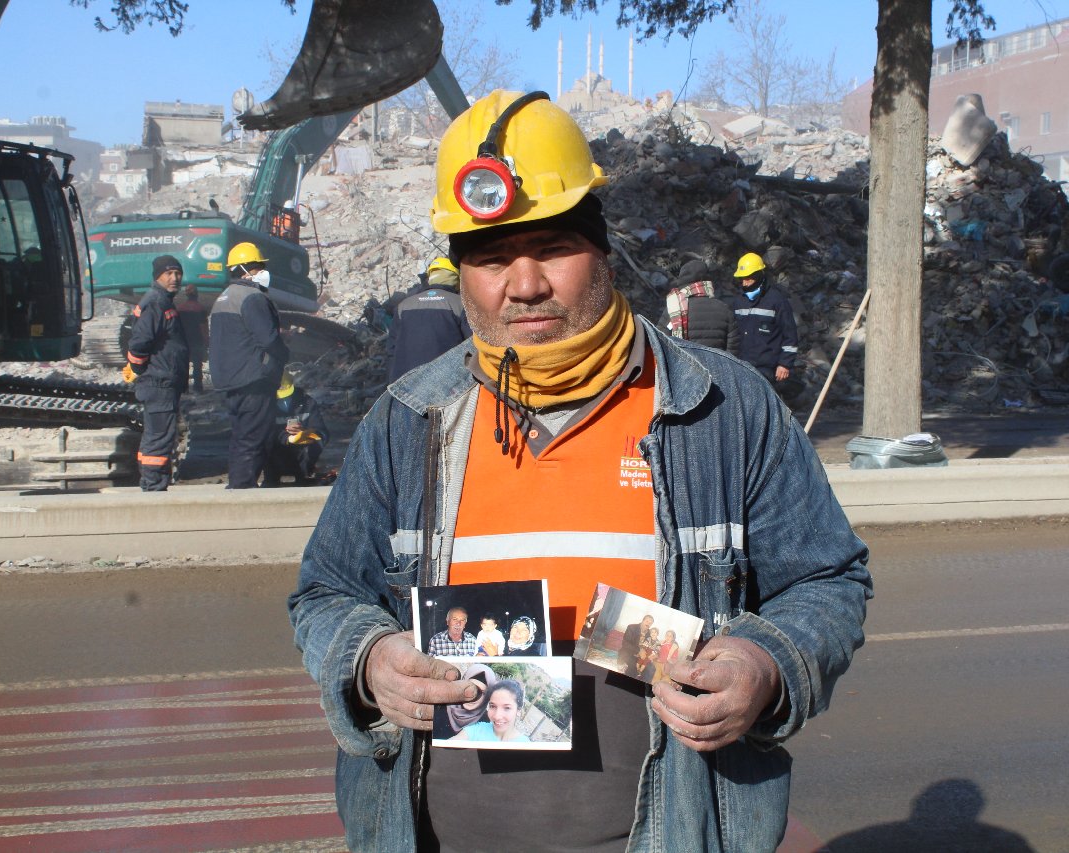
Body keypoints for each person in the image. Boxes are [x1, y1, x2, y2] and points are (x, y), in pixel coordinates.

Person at [289, 89, 872, 853]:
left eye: (552, 247)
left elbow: (827, 579)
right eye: (490, 257)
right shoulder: (409, 421)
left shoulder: (722, 408)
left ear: (602, 249)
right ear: (461, 273)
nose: (524, 283)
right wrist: (369, 659)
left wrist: (765, 663)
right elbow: (327, 592)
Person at [209, 242, 289, 489]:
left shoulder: (224, 297)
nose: (262, 271)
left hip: (230, 378)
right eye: (256, 267)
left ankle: (238, 485)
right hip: (253, 378)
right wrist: (283, 354)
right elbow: (268, 339)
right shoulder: (252, 297)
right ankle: (242, 488)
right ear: (243, 269)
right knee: (254, 436)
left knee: (241, 435)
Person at [124, 254, 190, 491]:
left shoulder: (162, 301)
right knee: (159, 437)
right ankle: (154, 485)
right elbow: (139, 343)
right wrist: (138, 367)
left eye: (178, 273)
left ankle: (151, 482)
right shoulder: (156, 302)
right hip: (159, 381)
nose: (175, 278)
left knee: (156, 435)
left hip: (161, 380)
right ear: (157, 276)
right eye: (168, 273)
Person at [387, 256, 472, 381]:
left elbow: (391, 350)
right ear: (457, 279)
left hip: (404, 383)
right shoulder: (460, 304)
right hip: (445, 382)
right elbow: (473, 345)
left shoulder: (404, 305)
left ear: (430, 277)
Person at [731, 251, 800, 387]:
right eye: (742, 279)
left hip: (767, 368)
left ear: (758, 275)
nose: (744, 283)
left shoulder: (776, 300)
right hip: (742, 365)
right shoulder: (739, 301)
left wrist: (784, 364)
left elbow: (790, 335)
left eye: (748, 278)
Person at [659, 259, 739, 354]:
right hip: (716, 363)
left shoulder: (673, 308)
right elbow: (733, 349)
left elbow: (660, 341)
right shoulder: (724, 309)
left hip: (684, 363)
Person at [265, 374, 331, 486]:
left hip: (303, 452)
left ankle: (304, 473)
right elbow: (260, 433)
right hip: (276, 454)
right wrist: (287, 438)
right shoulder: (266, 404)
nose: (284, 399)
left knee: (317, 442)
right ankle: (271, 478)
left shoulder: (308, 402)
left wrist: (305, 433)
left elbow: (322, 432)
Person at [448, 680, 531, 744]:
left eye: (507, 708)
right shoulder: (476, 730)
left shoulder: (525, 745)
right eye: (492, 706)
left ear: (518, 710)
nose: (497, 716)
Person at [432, 662, 497, 740]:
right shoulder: (439, 707)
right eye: (470, 688)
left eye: (482, 693)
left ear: (487, 697)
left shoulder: (486, 722)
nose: (473, 696)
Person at [175, 283, 209, 392]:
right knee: (197, 365)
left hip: (183, 341)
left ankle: (184, 388)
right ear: (197, 294)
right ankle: (198, 388)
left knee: (184, 364)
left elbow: (176, 326)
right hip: (197, 341)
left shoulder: (180, 308)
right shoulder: (200, 308)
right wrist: (206, 341)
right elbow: (203, 327)